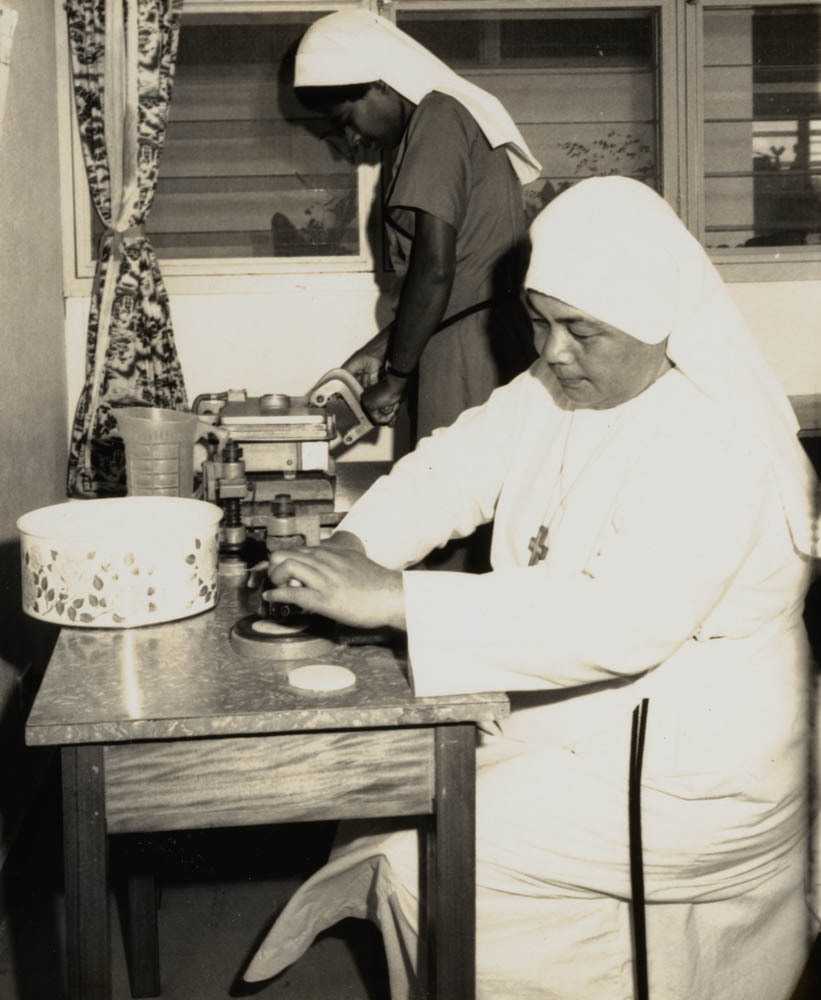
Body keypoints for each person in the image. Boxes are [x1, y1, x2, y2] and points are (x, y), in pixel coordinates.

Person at [237, 177, 820, 1000]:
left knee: (412, 860)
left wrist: (395, 599)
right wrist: (352, 548)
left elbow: (620, 621)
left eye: (581, 329)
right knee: (382, 799)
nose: (551, 350)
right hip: (588, 725)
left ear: (661, 322)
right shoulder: (560, 389)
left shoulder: (717, 438)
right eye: (538, 321)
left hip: (688, 777)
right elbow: (450, 467)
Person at [292, 9, 541, 442]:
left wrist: (396, 376)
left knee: (458, 493)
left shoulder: (438, 120)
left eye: (346, 122)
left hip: (469, 353)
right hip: (473, 338)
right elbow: (461, 279)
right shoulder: (437, 125)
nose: (351, 143)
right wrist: (381, 350)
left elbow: (435, 269)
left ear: (381, 84)